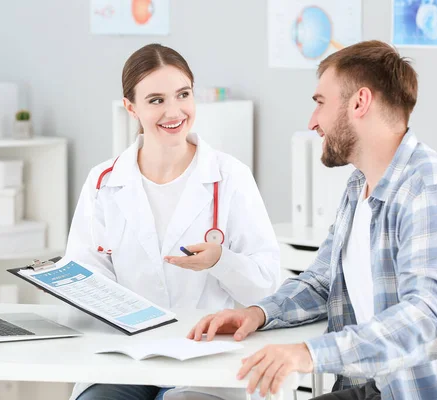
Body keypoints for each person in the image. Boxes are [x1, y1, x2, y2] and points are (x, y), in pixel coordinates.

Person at [189, 40, 437, 400]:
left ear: (360, 102)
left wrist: (309, 353)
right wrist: (259, 313)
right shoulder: (359, 185)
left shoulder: (431, 190)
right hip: (384, 386)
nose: (312, 122)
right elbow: (322, 281)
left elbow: (429, 321)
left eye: (319, 103)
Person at [67, 43, 281, 400]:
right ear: (131, 107)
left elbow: (268, 286)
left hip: (205, 357)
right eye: (156, 100)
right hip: (128, 355)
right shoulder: (103, 181)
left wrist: (220, 261)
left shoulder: (230, 177)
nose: (174, 111)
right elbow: (86, 271)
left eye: (183, 94)